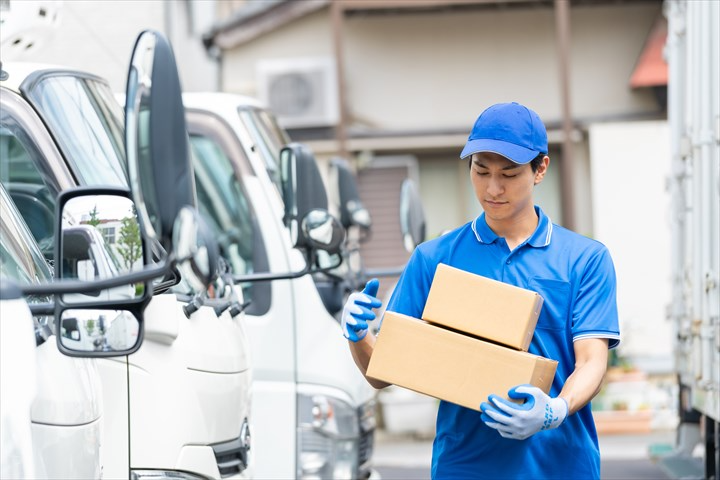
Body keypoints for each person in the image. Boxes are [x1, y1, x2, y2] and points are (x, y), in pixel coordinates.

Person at [341, 102, 620, 479]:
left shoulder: (584, 259)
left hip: (560, 465)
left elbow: (590, 361)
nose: (492, 188)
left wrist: (555, 409)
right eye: (481, 171)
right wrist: (360, 336)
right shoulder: (435, 259)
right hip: (465, 466)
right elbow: (382, 372)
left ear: (540, 169)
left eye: (509, 173)